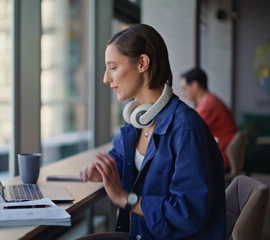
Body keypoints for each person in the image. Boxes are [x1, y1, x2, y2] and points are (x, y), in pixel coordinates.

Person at [78, 24, 226, 240]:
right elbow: (120, 158)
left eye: (113, 67)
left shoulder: (186, 129)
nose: (106, 78)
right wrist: (103, 169)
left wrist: (125, 199)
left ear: (142, 63)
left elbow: (188, 212)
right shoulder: (137, 122)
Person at [180, 67, 237, 170]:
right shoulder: (210, 100)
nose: (184, 93)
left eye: (185, 88)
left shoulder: (208, 106)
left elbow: (186, 131)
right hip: (224, 152)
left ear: (195, 85)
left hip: (221, 155)